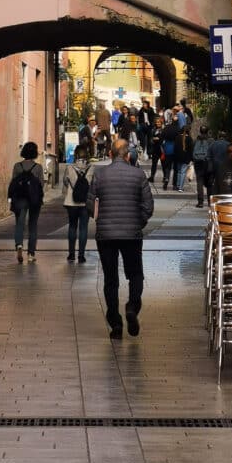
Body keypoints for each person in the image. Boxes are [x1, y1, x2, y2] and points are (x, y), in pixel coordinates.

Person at [87, 138, 154, 339]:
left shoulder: (99, 175)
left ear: (110, 154)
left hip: (106, 235)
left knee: (110, 279)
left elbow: (90, 206)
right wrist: (138, 222)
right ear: (128, 155)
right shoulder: (138, 175)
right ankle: (132, 306)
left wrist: (100, 220)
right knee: (135, 274)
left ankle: (115, 323)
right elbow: (148, 206)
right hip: (131, 234)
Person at [8, 141, 45, 264]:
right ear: (35, 153)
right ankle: (31, 254)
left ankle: (19, 244)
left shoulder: (17, 166)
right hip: (34, 199)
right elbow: (41, 184)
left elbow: (13, 183)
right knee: (33, 225)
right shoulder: (38, 167)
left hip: (20, 198)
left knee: (19, 223)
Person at [62, 141, 94, 263]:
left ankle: (71, 254)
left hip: (71, 202)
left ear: (76, 155)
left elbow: (65, 182)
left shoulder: (69, 167)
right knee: (83, 228)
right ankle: (81, 255)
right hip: (85, 202)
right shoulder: (91, 168)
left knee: (72, 226)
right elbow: (92, 184)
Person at [192, 126, 213, 207]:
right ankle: (210, 202)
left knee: (199, 182)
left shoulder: (195, 140)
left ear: (200, 131)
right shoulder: (211, 141)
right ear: (207, 131)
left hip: (198, 163)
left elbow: (192, 152)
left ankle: (200, 202)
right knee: (209, 183)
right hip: (207, 163)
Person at [160, 112, 178, 190]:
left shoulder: (166, 128)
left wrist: (162, 147)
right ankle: (174, 184)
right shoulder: (178, 129)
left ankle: (166, 178)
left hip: (167, 148)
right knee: (176, 168)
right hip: (176, 149)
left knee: (168, 166)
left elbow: (161, 138)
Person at [174, 124, 194, 190]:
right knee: (183, 172)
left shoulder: (177, 137)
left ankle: (177, 185)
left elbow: (175, 148)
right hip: (186, 158)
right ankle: (180, 187)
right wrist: (191, 159)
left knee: (179, 171)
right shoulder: (189, 139)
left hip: (178, 157)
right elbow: (191, 150)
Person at [148, 114, 164, 184]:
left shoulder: (163, 130)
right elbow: (150, 139)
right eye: (157, 122)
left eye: (159, 122)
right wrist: (152, 139)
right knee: (154, 164)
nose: (158, 123)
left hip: (162, 149)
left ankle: (165, 177)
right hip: (155, 149)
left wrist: (159, 139)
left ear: (161, 123)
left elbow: (164, 139)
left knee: (163, 164)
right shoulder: (153, 130)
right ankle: (152, 177)